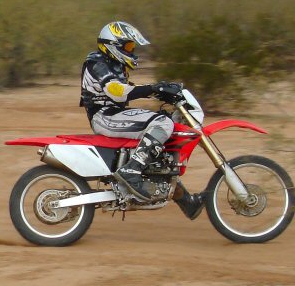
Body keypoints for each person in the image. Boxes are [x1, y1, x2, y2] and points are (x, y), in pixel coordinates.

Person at [80, 21, 204, 219]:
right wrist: (153, 88)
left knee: (161, 144)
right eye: (128, 46)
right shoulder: (97, 63)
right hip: (104, 117)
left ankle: (188, 202)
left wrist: (162, 91)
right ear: (113, 45)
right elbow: (118, 92)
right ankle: (131, 171)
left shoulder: (115, 65)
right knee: (163, 124)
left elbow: (129, 91)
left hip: (114, 114)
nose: (131, 50)